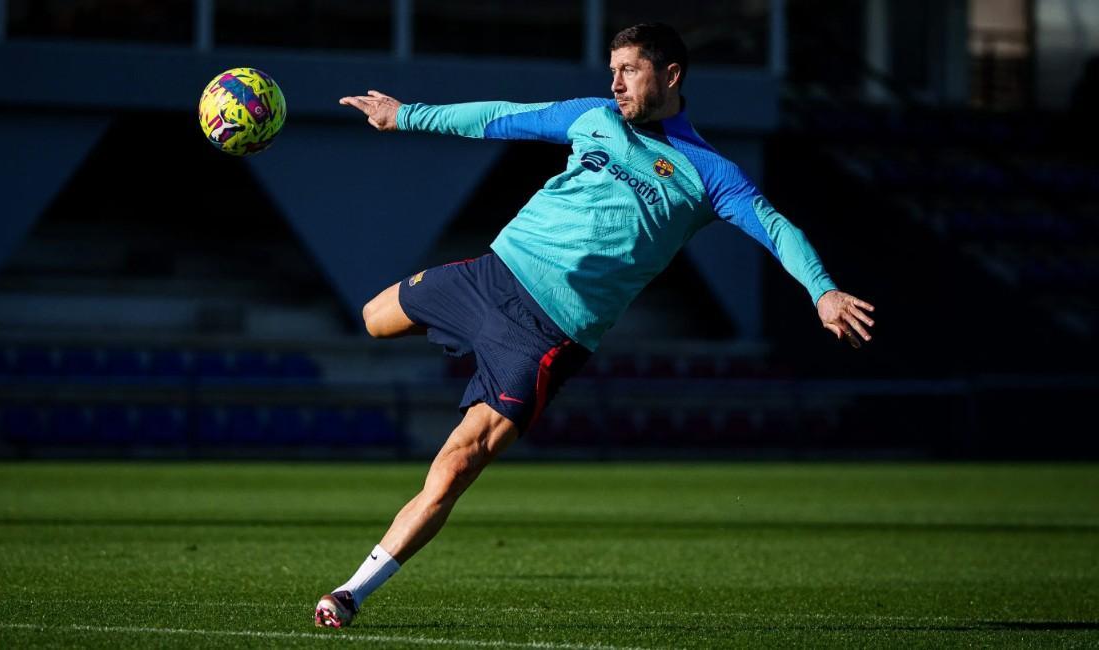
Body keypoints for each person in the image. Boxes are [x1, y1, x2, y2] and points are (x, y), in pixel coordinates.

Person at [315, 22, 876, 628]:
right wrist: (406, 115)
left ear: (671, 75)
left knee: (455, 466)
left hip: (544, 335)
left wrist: (822, 291)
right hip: (491, 277)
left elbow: (777, 228)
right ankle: (464, 343)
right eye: (612, 69)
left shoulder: (710, 174)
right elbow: (501, 115)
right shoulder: (593, 117)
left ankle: (350, 592)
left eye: (629, 70)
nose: (615, 82)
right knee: (374, 319)